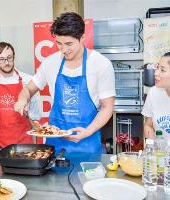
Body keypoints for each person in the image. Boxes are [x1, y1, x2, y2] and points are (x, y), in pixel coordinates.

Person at [14, 12, 115, 154]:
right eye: (59, 43)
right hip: (55, 145)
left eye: (69, 44)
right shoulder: (51, 62)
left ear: (82, 38)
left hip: (87, 143)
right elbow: (29, 89)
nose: (64, 49)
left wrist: (87, 132)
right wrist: (22, 99)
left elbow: (107, 107)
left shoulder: (101, 64)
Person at [0, 42, 42, 147]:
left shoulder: (29, 81)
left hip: (23, 142)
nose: (6, 62)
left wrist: (34, 123)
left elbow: (35, 117)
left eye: (9, 57)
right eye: (1, 59)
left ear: (14, 56)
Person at [142, 50, 170, 160]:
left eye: (162, 70)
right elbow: (148, 125)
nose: (156, 73)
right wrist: (152, 147)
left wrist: (166, 152)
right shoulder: (154, 92)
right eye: (157, 67)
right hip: (159, 159)